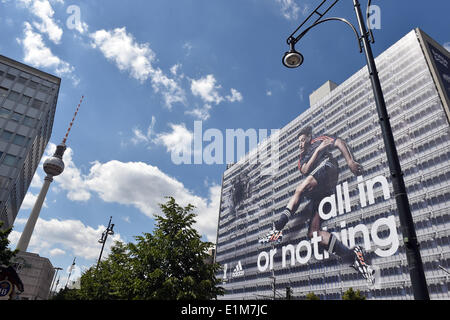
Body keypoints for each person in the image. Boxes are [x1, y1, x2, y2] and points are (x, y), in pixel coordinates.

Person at [259, 126, 375, 284]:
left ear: (309, 137)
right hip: (322, 191)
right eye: (298, 142)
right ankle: (351, 256)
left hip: (328, 168)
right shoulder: (302, 158)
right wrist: (318, 151)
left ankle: (278, 227)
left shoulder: (318, 140)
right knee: (313, 233)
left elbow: (339, 142)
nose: (300, 144)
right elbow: (305, 169)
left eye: (302, 140)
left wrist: (349, 161)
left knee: (299, 189)